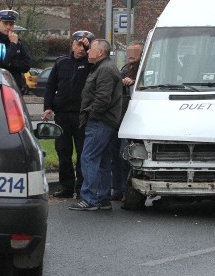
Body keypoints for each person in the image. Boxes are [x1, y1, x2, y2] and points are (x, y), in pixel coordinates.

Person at [69, 39, 122, 211]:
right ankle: (102, 198)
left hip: (100, 121)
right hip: (106, 121)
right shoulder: (104, 67)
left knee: (89, 157)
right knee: (103, 160)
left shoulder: (104, 69)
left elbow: (102, 98)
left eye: (91, 49)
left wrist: (92, 115)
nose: (87, 52)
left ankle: (90, 198)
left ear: (100, 52)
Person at [42, 31, 93, 198]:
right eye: (78, 45)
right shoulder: (61, 62)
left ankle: (81, 188)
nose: (81, 49)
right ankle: (67, 187)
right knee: (63, 152)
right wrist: (48, 107)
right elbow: (50, 86)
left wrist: (89, 48)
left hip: (81, 115)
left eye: (84, 46)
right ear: (72, 45)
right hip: (62, 114)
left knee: (82, 153)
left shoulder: (91, 64)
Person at [111, 41, 144, 201]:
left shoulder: (145, 70)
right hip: (120, 117)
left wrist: (134, 81)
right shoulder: (125, 69)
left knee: (126, 155)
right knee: (117, 155)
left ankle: (126, 188)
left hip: (135, 119)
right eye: (129, 52)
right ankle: (118, 188)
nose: (130, 55)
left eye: (134, 53)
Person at [0, 9, 31, 90]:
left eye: (11, 24)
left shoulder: (18, 42)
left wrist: (10, 64)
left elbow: (27, 66)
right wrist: (12, 45)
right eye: (5, 23)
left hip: (15, 88)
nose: (8, 27)